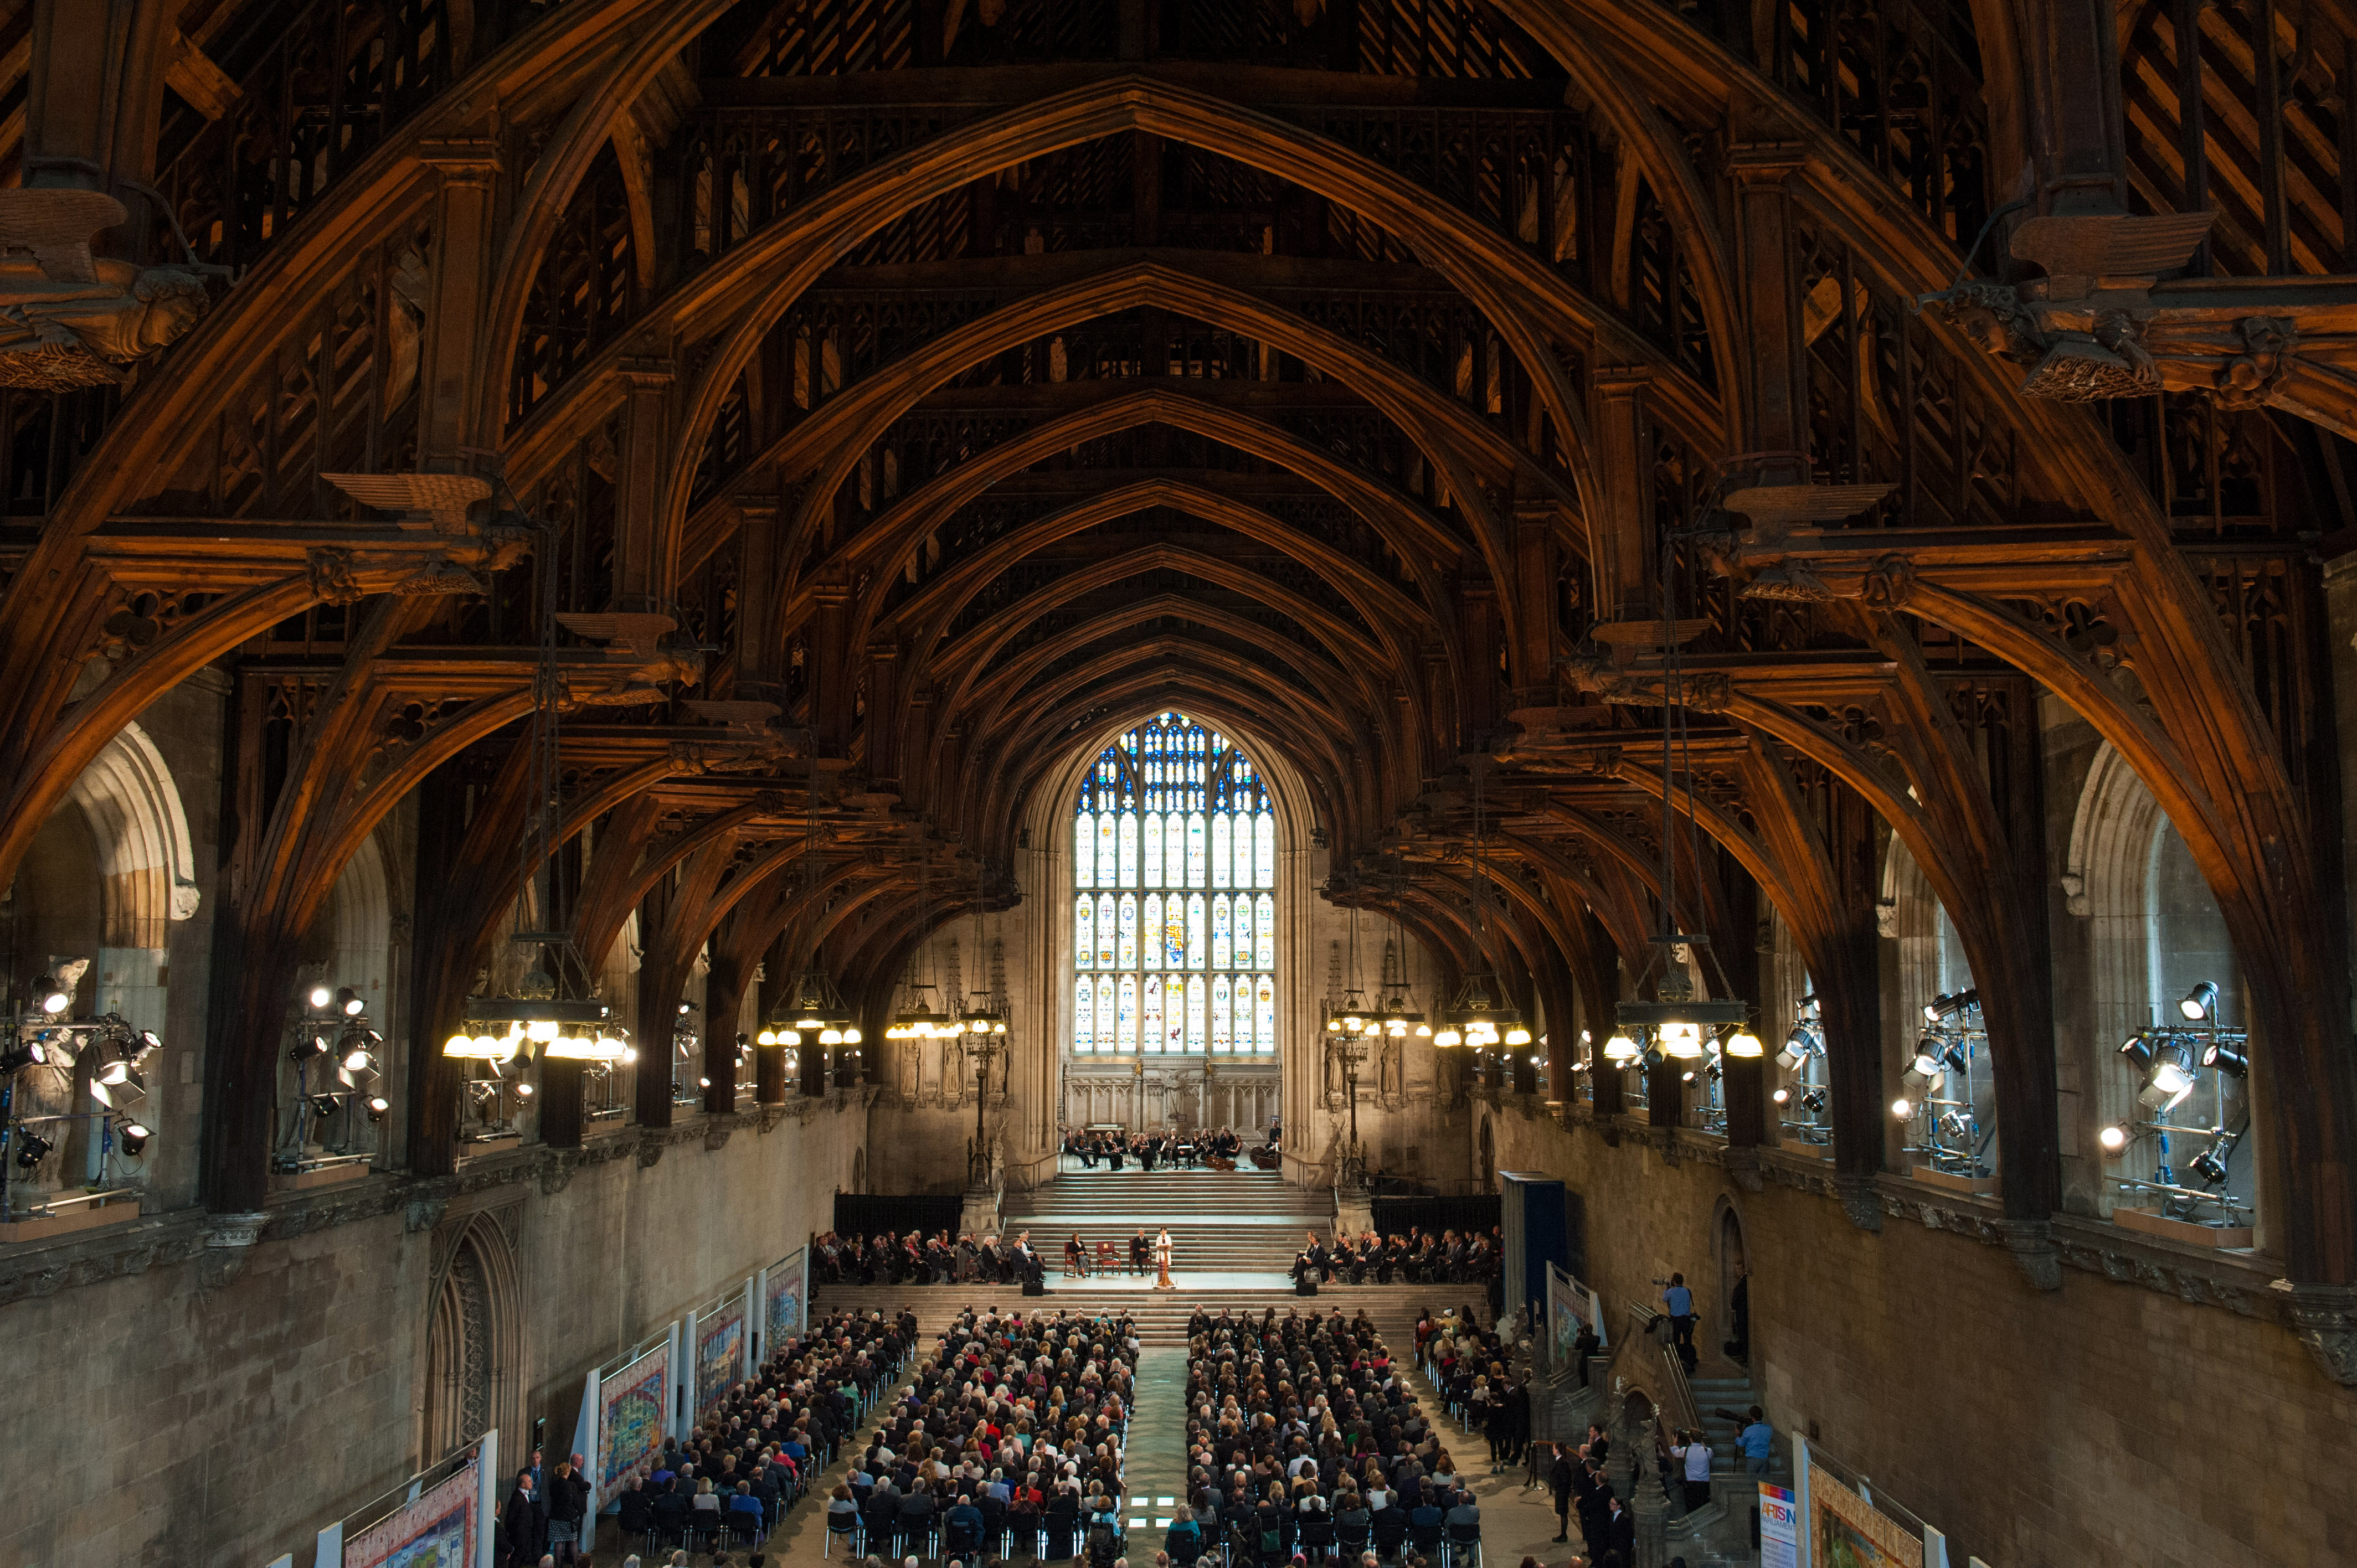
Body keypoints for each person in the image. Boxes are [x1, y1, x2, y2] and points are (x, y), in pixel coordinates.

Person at [503, 1468, 547, 1568]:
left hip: (526, 1533)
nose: (532, 1482)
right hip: (519, 1535)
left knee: (523, 1557)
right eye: (529, 1481)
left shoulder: (525, 1495)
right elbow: (511, 1517)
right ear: (523, 1484)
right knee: (517, 1558)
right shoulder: (517, 1497)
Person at [1669, 1430, 1711, 1512]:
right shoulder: (1709, 1451)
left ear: (1691, 1439)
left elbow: (1675, 1453)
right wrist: (1700, 1441)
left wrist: (1675, 1442)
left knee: (1691, 1508)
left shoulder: (1686, 1450)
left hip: (1691, 1484)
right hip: (1705, 1484)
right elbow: (1705, 1450)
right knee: (1704, 1507)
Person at [1661, 1273, 1697, 1368]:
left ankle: (1676, 1363)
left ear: (1674, 1281)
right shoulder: (1687, 1291)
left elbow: (1664, 1299)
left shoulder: (1671, 1292)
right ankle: (1690, 1362)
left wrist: (1667, 1288)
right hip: (1686, 1319)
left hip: (1676, 1320)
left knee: (1676, 1341)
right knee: (1688, 1341)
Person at [1547, 1445, 1576, 1543]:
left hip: (1562, 1492)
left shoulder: (1563, 1463)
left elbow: (1565, 1479)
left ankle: (1564, 1535)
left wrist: (1560, 1487)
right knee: (1561, 1513)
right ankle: (1563, 1534)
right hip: (1561, 1491)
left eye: (1554, 1449)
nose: (1553, 1450)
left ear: (1558, 1450)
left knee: (1563, 1513)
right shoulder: (1560, 1461)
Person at [1738, 1408, 1774, 1475]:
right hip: (1765, 1459)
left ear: (1753, 1418)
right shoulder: (1769, 1429)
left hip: (1752, 1460)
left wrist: (1738, 1436)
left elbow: (1741, 1443)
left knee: (1752, 1483)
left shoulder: (1749, 1430)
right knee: (1763, 1484)